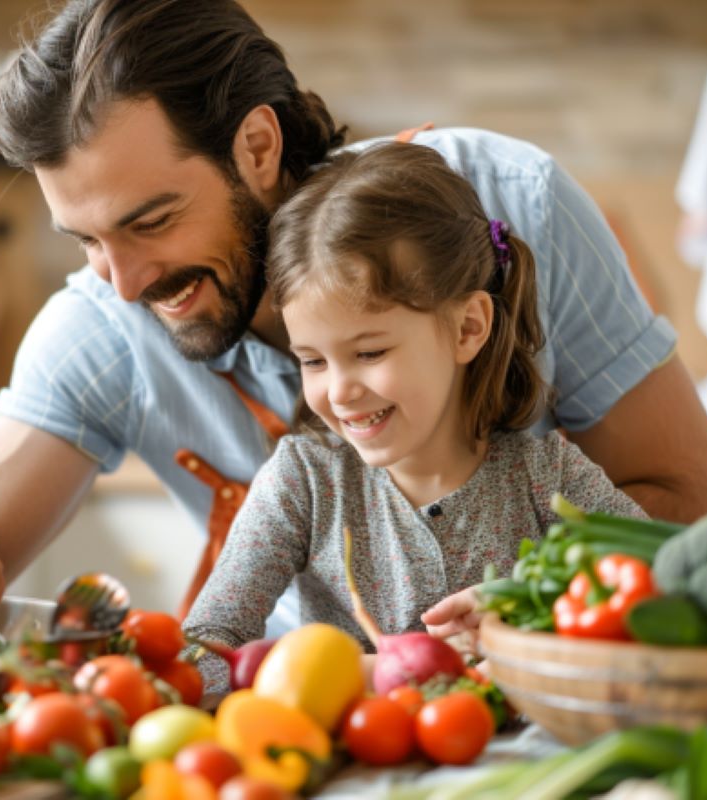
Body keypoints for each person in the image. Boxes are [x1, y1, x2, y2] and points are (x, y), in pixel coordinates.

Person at [0, 0, 707, 639]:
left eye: (150, 221)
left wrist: (518, 610)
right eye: (84, 240)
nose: (122, 283)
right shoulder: (104, 324)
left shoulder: (510, 203)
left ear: (260, 146)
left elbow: (695, 513)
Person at [182, 142, 647, 689]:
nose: (340, 391)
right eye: (312, 361)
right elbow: (197, 659)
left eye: (371, 353)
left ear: (468, 328)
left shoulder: (548, 478)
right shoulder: (303, 482)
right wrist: (391, 671)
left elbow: (662, 599)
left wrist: (529, 608)